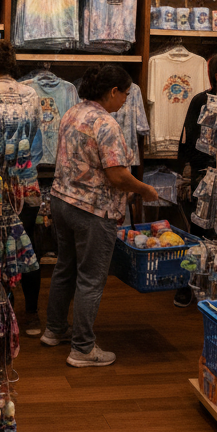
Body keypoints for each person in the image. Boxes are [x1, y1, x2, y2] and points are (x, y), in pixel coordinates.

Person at [40, 65, 158, 366]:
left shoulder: (73, 112)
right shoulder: (106, 124)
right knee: (91, 278)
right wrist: (145, 189)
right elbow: (117, 175)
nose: (126, 100)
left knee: (65, 267)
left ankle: (54, 330)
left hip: (62, 201)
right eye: (126, 94)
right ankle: (82, 348)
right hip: (92, 209)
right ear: (113, 92)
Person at [0, 40, 44, 337]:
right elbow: (35, 131)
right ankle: (32, 315)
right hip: (27, 183)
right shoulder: (31, 93)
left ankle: (4, 315)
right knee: (29, 246)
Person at [173, 52, 217, 308]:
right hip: (204, 177)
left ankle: (214, 287)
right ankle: (185, 286)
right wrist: (193, 173)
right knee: (199, 234)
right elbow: (189, 138)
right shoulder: (201, 101)